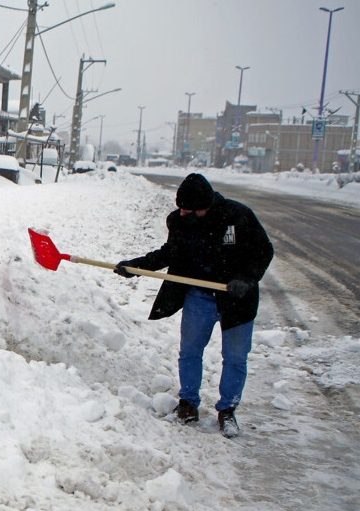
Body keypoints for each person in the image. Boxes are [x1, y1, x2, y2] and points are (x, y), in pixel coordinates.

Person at [114, 173, 274, 437]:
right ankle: (188, 402)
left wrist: (246, 279)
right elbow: (170, 253)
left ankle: (228, 410)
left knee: (235, 357)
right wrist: (136, 266)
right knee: (189, 351)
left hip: (237, 299)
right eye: (181, 208)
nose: (183, 213)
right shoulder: (181, 221)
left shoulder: (237, 216)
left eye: (189, 208)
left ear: (206, 205)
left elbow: (263, 250)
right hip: (199, 295)